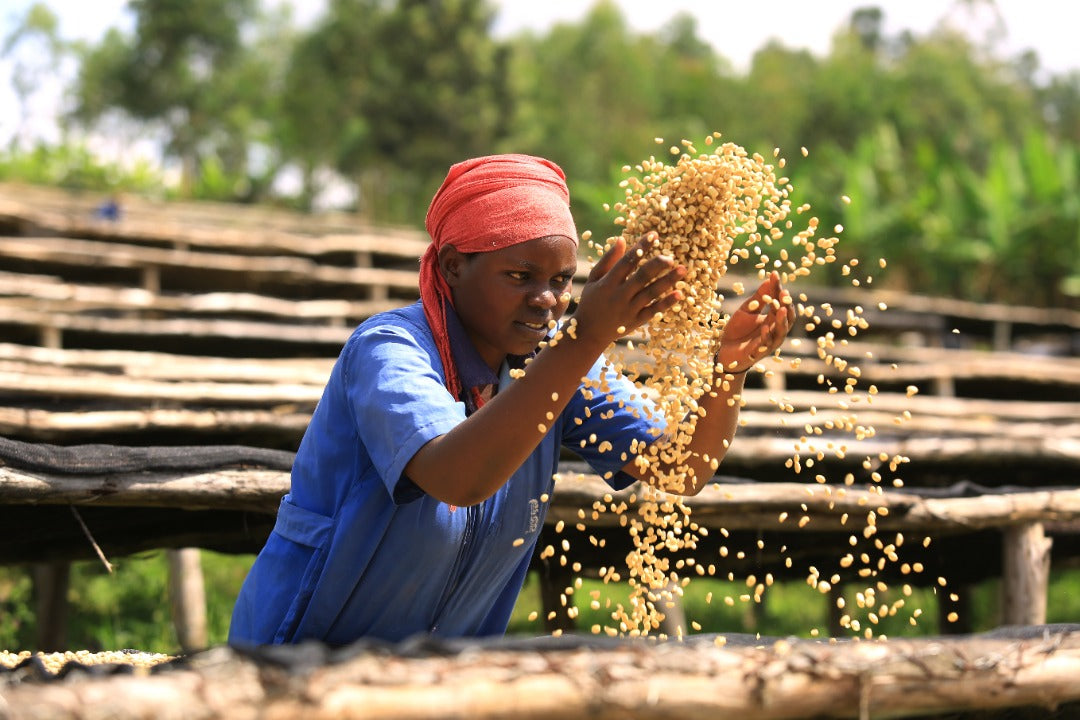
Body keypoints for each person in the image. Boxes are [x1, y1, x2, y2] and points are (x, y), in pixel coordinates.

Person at [228, 154, 794, 646]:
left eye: (563, 280)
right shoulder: (391, 351)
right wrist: (587, 336)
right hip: (297, 663)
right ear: (454, 266)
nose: (547, 299)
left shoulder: (560, 357)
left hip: (435, 682)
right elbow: (457, 477)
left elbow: (678, 467)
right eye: (520, 275)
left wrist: (728, 372)